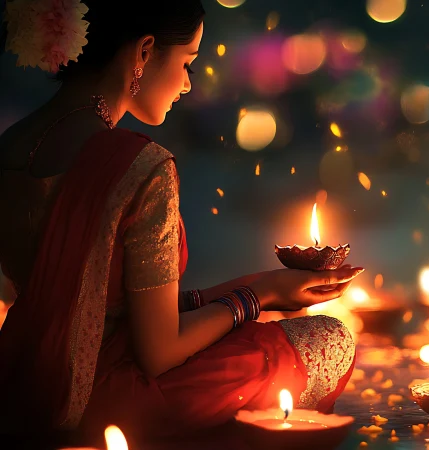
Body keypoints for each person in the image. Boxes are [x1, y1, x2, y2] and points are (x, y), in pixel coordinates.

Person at [0, 0, 362, 441]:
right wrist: (258, 295)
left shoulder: (11, 147)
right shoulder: (138, 165)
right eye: (188, 62)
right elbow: (159, 352)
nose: (188, 84)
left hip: (23, 383)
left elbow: (102, 307)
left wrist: (262, 286)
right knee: (327, 340)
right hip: (108, 401)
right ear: (144, 50)